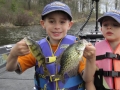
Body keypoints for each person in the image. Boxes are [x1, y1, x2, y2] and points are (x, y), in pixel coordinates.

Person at [6, 1, 96, 90]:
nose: (57, 26)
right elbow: (10, 68)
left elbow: (87, 79)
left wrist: (91, 59)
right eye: (51, 21)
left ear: (69, 25)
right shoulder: (36, 48)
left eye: (62, 22)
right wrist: (13, 54)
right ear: (43, 24)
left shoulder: (76, 47)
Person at [94, 10, 120, 90]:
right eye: (105, 25)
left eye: (115, 25)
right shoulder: (94, 49)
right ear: (101, 29)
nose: (109, 27)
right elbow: (89, 79)